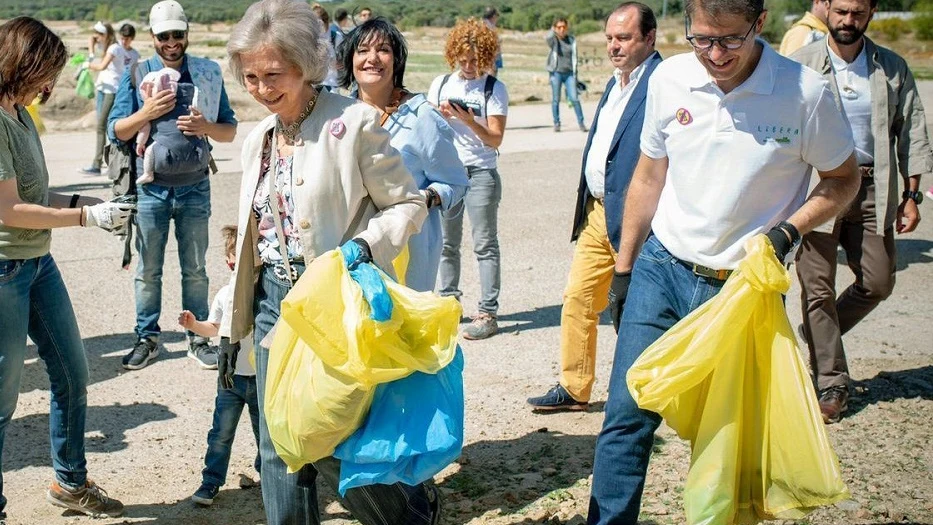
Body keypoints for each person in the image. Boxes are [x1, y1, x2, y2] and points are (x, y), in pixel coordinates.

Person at [586, 0, 863, 521]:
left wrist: (789, 231)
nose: (713, 54)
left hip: (741, 291)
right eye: (701, 38)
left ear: (759, 25)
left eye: (730, 41)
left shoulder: (805, 93)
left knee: (723, 439)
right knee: (626, 416)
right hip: (660, 270)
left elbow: (844, 178)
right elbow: (649, 176)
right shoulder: (670, 78)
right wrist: (624, 269)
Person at [223, 1, 439, 523]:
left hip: (336, 302)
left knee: (331, 436)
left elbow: (408, 204)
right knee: (278, 439)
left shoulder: (355, 123)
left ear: (305, 64)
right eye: (250, 77)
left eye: (274, 74)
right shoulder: (259, 139)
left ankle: (406, 515)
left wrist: (364, 247)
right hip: (275, 302)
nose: (262, 88)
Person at [0, 16, 134, 522]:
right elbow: (9, 210)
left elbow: (35, 196)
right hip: (5, 270)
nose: (49, 85)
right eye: (44, 73)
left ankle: (70, 484)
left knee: (74, 375)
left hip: (37, 263)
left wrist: (91, 201)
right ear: (21, 63)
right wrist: (85, 216)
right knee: (2, 399)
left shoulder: (20, 113)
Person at [791, 0, 931, 424]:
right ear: (827, 9)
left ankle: (817, 334)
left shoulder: (891, 67)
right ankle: (832, 382)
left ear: (870, 14)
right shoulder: (799, 65)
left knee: (878, 280)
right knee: (817, 289)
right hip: (818, 187)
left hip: (874, 186)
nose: (848, 21)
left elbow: (913, 129)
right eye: (842, 11)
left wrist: (912, 195)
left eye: (858, 13)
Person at [527, 3, 662, 412]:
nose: (613, 46)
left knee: (636, 307)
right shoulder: (615, 82)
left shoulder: (663, 83)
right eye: (609, 39)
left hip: (640, 216)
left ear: (650, 38)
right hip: (597, 213)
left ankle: (651, 391)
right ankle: (574, 386)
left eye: (624, 38)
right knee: (579, 298)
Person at [109, 0, 238, 371]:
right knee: (148, 269)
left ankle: (198, 336)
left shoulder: (207, 74)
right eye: (163, 35)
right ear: (152, 37)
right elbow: (115, 129)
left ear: (186, 34)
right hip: (151, 189)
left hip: (195, 187)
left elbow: (228, 130)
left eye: (177, 34)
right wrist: (146, 113)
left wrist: (206, 128)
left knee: (195, 267)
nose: (171, 42)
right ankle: (147, 337)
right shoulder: (137, 73)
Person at [342, 18, 469, 292]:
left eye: (383, 50)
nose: (372, 58)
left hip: (406, 251)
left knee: (400, 330)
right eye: (362, 50)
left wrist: (427, 198)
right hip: (348, 247)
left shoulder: (422, 116)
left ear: (396, 61)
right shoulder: (339, 113)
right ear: (350, 59)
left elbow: (457, 182)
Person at [430, 17, 509, 340]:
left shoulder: (493, 88)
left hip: (481, 173)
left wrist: (470, 120)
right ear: (453, 56)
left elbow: (496, 138)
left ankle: (487, 311)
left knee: (484, 244)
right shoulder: (441, 84)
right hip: (448, 174)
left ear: (487, 57)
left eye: (476, 61)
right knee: (447, 244)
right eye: (463, 61)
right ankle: (449, 304)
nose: (469, 67)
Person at [178, 225, 260, 506]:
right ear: (230, 261)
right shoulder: (225, 295)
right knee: (221, 434)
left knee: (267, 434)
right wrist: (193, 325)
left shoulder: (266, 293)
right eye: (240, 255)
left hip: (263, 378)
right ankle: (211, 481)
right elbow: (214, 328)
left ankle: (270, 477)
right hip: (231, 380)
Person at [81, 23, 140, 176]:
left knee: (104, 126)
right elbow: (92, 38)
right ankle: (105, 162)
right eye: (122, 37)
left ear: (132, 38)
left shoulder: (129, 53)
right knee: (107, 127)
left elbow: (101, 66)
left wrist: (87, 64)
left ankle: (97, 164)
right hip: (106, 88)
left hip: (113, 91)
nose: (124, 41)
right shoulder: (119, 49)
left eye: (127, 39)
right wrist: (92, 50)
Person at [546, 18, 587, 133]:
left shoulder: (572, 40)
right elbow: (547, 38)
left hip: (570, 74)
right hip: (556, 73)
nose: (562, 29)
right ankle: (557, 123)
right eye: (559, 27)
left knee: (574, 98)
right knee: (556, 99)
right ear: (555, 28)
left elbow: (575, 57)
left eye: (564, 27)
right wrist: (552, 30)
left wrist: (575, 75)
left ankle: (581, 123)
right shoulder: (553, 40)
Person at [311, 4, 341, 92]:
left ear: (326, 21)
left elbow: (344, 59)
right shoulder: (308, 37)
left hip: (332, 84)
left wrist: (342, 63)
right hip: (312, 83)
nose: (317, 27)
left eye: (319, 23)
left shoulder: (336, 37)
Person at [482, 6, 503, 75]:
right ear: (494, 16)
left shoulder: (485, 24)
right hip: (491, 57)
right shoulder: (488, 27)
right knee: (490, 78)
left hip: (491, 57)